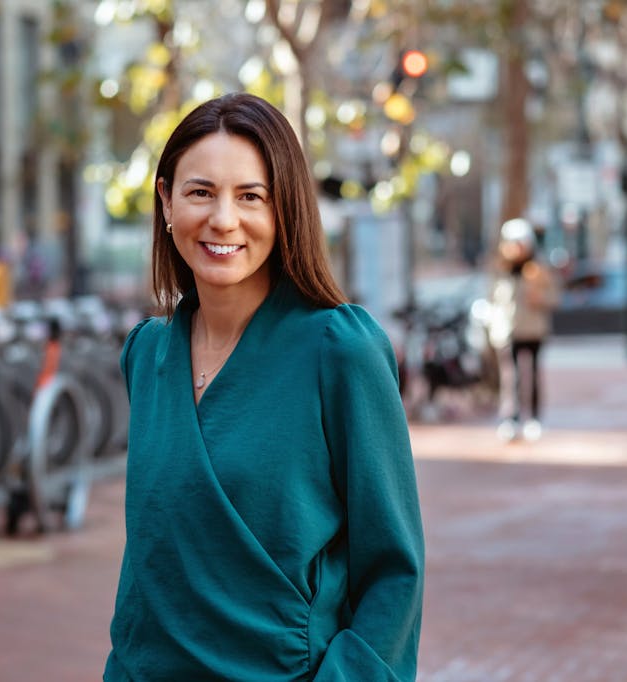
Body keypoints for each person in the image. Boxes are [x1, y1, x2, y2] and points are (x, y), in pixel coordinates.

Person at [104, 93, 425, 681]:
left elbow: (393, 571)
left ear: (285, 211)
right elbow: (152, 559)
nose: (223, 219)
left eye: (251, 196)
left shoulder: (340, 349)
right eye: (200, 191)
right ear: (166, 200)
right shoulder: (147, 353)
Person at [486, 218, 559, 443]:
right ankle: (511, 418)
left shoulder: (539, 269)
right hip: (508, 331)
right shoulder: (500, 269)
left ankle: (534, 418)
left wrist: (540, 298)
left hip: (534, 330)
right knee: (511, 377)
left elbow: (554, 297)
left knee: (533, 374)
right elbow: (492, 299)